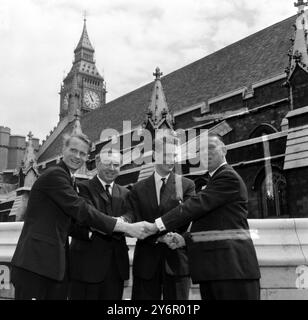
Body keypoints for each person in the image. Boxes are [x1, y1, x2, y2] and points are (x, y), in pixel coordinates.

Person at [11, 133, 150, 300]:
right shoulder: (55, 175)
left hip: (53, 265)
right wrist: (125, 227)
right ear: (63, 150)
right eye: (73, 150)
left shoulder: (70, 180)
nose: (77, 156)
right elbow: (81, 209)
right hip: (36, 264)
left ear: (87, 157)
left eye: (83, 153)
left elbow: (70, 222)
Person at [147, 133, 261, 300]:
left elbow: (194, 205)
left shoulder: (228, 177)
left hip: (232, 271)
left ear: (224, 150)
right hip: (217, 270)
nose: (205, 153)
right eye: (201, 150)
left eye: (211, 147)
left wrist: (157, 225)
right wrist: (185, 239)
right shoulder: (214, 180)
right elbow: (215, 224)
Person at [127, 135, 195, 300]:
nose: (171, 160)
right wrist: (159, 238)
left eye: (174, 156)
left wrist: (173, 237)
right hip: (146, 263)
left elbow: (189, 217)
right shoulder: (137, 189)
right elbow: (136, 222)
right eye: (166, 155)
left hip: (177, 261)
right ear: (154, 156)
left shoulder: (187, 185)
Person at [69, 149, 133, 300]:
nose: (112, 168)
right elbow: (87, 217)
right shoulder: (81, 188)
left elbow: (131, 215)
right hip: (86, 266)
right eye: (107, 164)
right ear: (98, 164)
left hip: (116, 267)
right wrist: (118, 225)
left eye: (116, 164)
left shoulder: (126, 193)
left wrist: (123, 221)